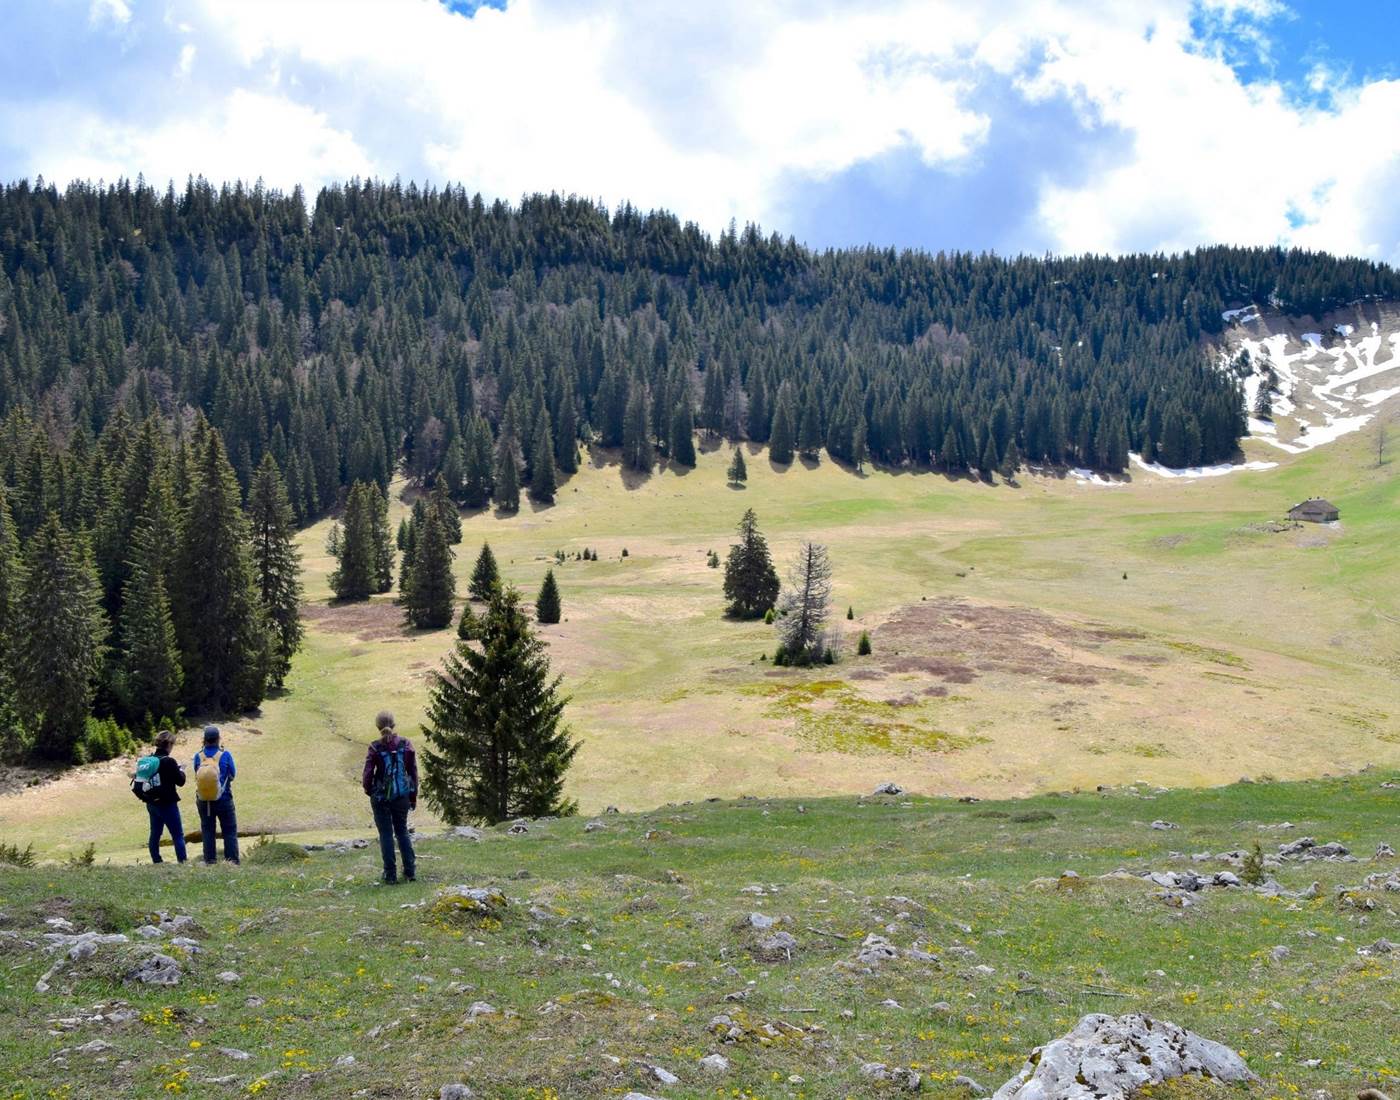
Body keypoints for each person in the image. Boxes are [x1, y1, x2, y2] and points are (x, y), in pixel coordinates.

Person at [361, 711, 418, 884]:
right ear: (394, 725)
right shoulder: (405, 744)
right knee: (402, 832)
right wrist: (412, 796)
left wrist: (370, 791)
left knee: (386, 834)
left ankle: (390, 875)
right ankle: (410, 872)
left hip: (381, 798)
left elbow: (368, 774)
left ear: (377, 727)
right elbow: (413, 772)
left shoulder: (374, 747)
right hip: (402, 795)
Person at [193, 725, 239, 865]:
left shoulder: (198, 756)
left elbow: (196, 774)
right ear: (218, 739)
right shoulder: (225, 755)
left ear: (204, 739)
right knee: (229, 831)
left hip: (204, 801)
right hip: (223, 799)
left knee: (207, 831)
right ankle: (232, 861)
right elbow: (232, 775)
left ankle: (210, 861)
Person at [143, 730, 187, 864]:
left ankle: (157, 860)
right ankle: (182, 861)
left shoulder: (149, 760)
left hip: (151, 803)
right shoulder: (169, 761)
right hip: (167, 803)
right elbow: (180, 781)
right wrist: (181, 770)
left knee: (155, 834)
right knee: (177, 834)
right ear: (169, 744)